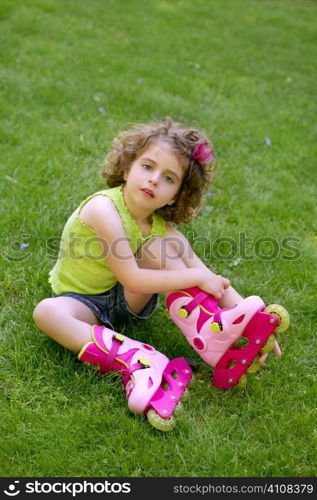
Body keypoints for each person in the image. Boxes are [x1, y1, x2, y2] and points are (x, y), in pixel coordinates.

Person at [33, 116, 280, 385]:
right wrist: (196, 278)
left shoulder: (160, 229)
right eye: (147, 167)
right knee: (47, 312)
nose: (153, 180)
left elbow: (209, 277)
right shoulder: (103, 210)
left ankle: (211, 332)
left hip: (125, 302)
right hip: (81, 303)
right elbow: (134, 278)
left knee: (158, 247)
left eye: (168, 178)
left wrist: (257, 324)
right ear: (127, 169)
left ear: (175, 195)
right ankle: (135, 357)